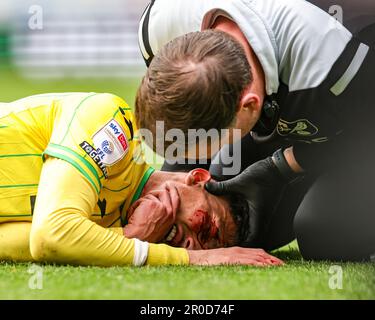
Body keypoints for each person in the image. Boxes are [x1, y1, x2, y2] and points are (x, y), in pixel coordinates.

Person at [136, 0, 375, 261]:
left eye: (213, 144)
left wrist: (282, 166)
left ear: (250, 104)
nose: (198, 172)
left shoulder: (334, 62)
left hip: (361, 121)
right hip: (300, 100)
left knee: (325, 233)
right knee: (213, 184)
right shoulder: (159, 25)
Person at [0, 92, 283, 267]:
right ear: (196, 178)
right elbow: (52, 234)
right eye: (206, 226)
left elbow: (38, 244)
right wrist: (192, 259)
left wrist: (129, 239)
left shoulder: (101, 230)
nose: (190, 245)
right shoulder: (113, 123)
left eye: (199, 246)